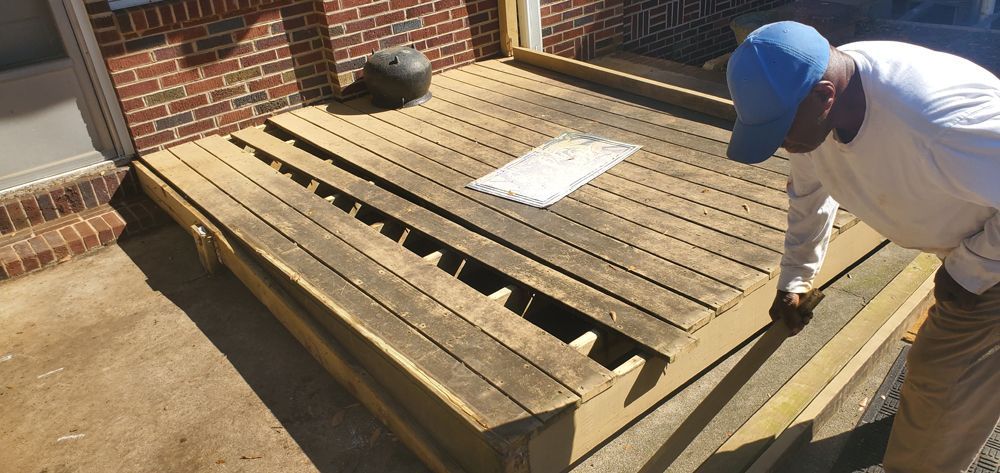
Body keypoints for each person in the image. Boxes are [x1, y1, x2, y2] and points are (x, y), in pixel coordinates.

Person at [725, 21, 1000, 472]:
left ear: (824, 96)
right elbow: (810, 195)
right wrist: (796, 277)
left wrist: (973, 270)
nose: (782, 145)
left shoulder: (939, 123)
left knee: (939, 372)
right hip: (972, 225)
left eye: (783, 131)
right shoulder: (816, 89)